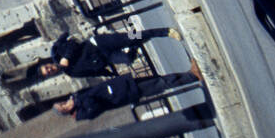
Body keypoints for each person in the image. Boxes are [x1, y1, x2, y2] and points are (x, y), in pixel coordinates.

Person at [54, 66, 201, 121]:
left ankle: (188, 73)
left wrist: (77, 98)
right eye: (63, 106)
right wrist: (78, 102)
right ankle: (192, 77)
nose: (64, 103)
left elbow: (90, 89)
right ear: (66, 111)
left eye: (61, 102)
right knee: (160, 85)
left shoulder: (76, 97)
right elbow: (95, 105)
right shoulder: (81, 113)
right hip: (123, 94)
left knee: (157, 79)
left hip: (120, 85)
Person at [39, 25, 182, 79]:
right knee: (128, 59)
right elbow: (92, 73)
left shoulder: (58, 54)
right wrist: (110, 74)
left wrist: (66, 57)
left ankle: (165, 31)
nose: (50, 69)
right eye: (49, 72)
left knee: (130, 37)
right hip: (105, 58)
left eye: (47, 68)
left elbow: (72, 43)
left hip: (98, 43)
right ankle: (137, 40)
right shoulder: (71, 73)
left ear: (48, 64)